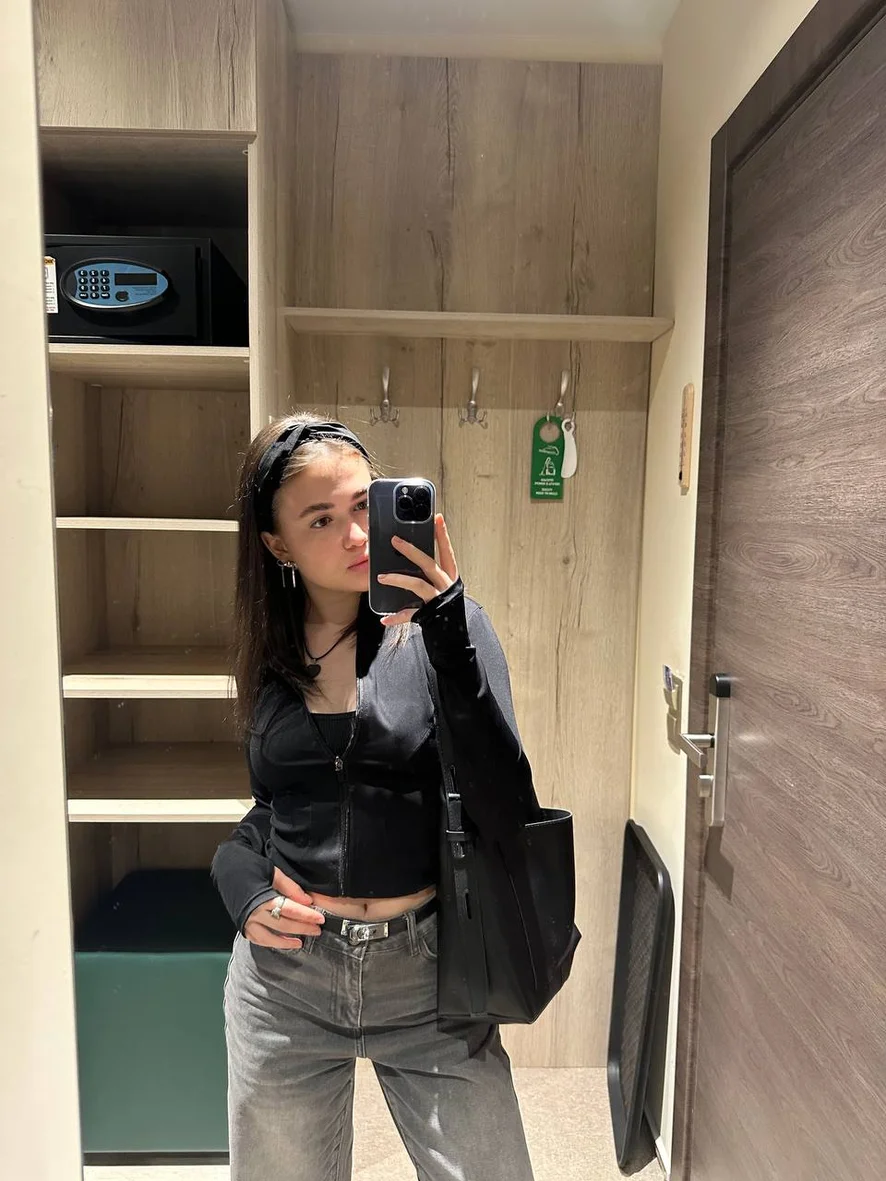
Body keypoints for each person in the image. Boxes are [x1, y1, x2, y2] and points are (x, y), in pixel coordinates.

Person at [211, 411, 542, 1181]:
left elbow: (506, 805)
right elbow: (272, 809)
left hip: (426, 978)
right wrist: (239, 883)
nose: (357, 534)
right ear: (277, 544)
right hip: (286, 982)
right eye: (321, 519)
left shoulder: (447, 629)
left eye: (364, 504)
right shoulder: (269, 648)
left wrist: (449, 633)